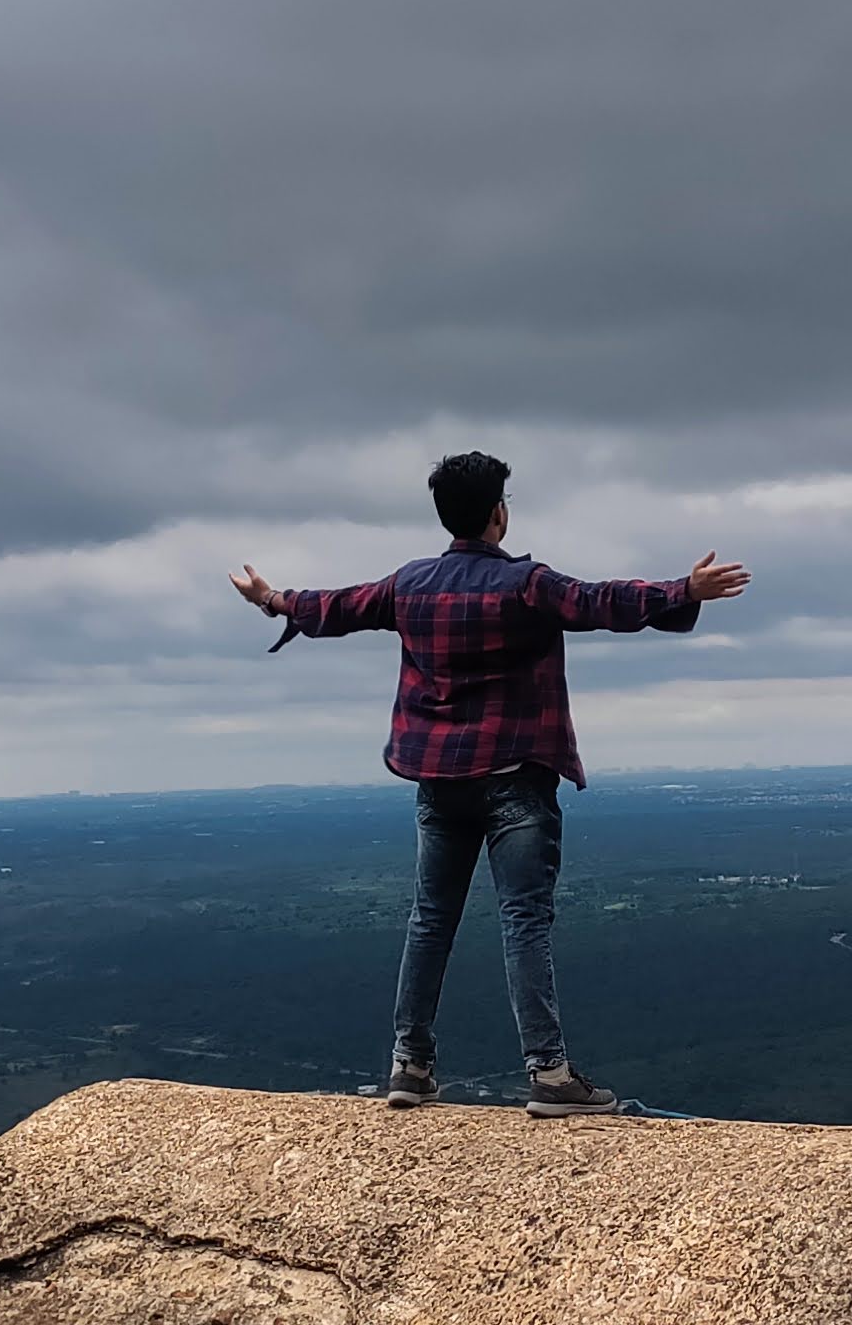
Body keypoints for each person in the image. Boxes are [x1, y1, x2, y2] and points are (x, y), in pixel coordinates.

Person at [233, 452, 751, 1114]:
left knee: (430, 922)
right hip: (514, 780)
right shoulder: (525, 584)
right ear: (499, 514)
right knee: (524, 922)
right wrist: (684, 591)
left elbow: (337, 607)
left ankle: (409, 1065)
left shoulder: (410, 584)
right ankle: (550, 1075)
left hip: (439, 782)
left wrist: (273, 599)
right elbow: (599, 603)